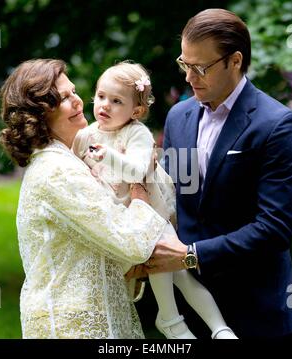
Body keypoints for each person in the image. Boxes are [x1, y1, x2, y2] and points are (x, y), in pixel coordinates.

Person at [145, 8, 292, 338]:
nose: (188, 77)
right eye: (184, 64)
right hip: (188, 309)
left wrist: (190, 256)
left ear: (235, 60)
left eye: (200, 67)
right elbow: (172, 198)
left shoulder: (276, 125)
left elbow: (275, 228)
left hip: (254, 306)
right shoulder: (178, 117)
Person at [0, 58, 171, 339]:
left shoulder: (72, 161)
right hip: (72, 326)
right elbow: (133, 243)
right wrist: (140, 187)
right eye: (65, 98)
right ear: (40, 114)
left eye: (74, 91)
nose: (79, 101)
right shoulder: (57, 171)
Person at [72, 61, 237, 339]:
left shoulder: (137, 134)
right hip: (123, 218)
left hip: (151, 212)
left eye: (116, 101)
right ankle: (172, 319)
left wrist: (108, 156)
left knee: (179, 269)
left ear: (136, 110)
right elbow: (72, 169)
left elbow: (137, 171)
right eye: (100, 96)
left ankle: (217, 327)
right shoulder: (86, 135)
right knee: (168, 266)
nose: (104, 105)